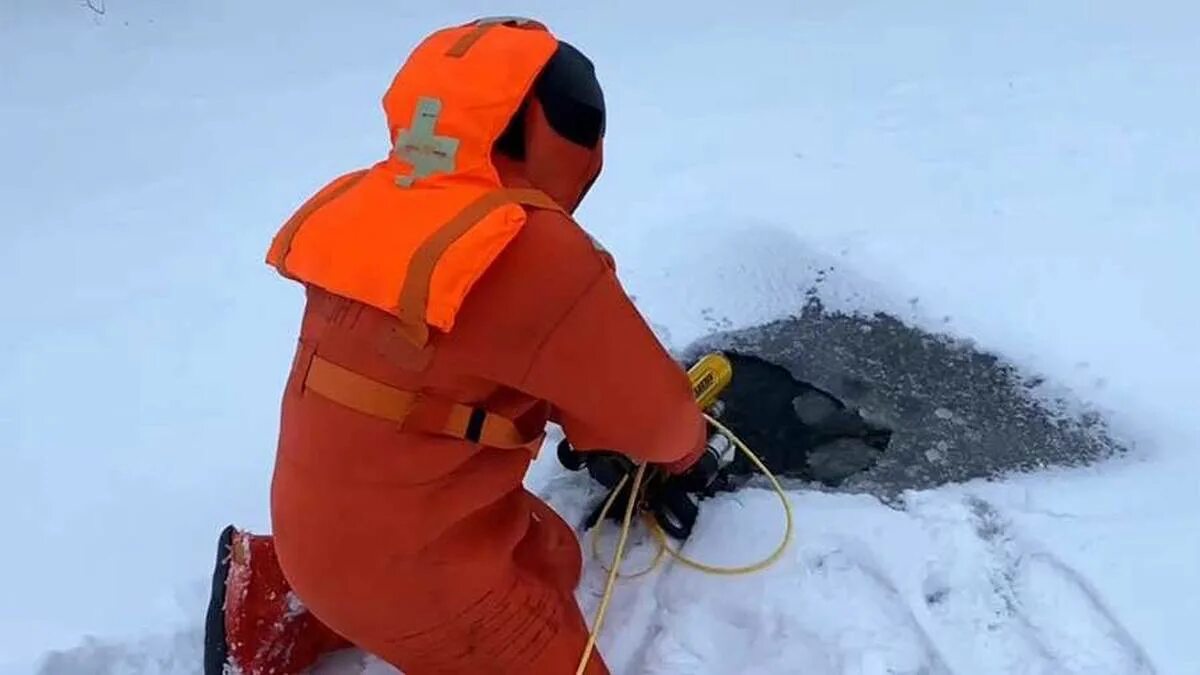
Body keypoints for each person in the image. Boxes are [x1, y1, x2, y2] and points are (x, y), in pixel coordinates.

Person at [204, 17, 710, 675]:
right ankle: (341, 609)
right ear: (550, 130)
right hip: (415, 581)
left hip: (315, 533)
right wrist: (689, 447)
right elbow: (660, 426)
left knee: (554, 555)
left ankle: (279, 589)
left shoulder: (375, 202)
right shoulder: (531, 249)